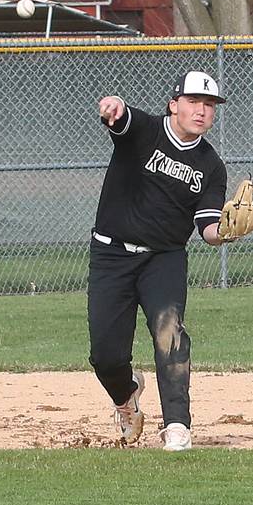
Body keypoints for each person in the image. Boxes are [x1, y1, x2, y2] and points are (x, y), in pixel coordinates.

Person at [89, 70, 228, 452]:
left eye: (209, 105)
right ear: (174, 105)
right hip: (111, 253)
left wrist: (230, 230)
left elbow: (209, 230)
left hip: (163, 259)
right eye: (194, 102)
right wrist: (114, 106)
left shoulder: (211, 167)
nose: (201, 111)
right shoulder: (146, 131)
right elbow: (121, 118)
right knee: (105, 354)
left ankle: (177, 424)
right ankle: (126, 395)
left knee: (170, 335)